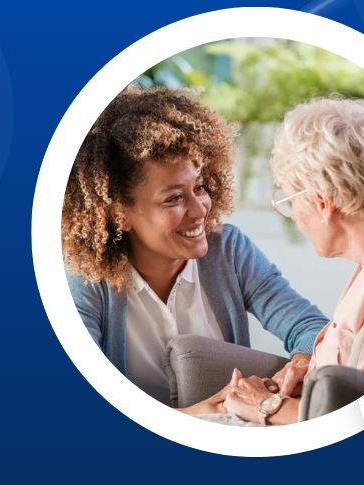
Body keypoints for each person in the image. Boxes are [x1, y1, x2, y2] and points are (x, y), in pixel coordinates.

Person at [62, 86, 328, 407]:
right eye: (174, 198)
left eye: (199, 187)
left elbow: (309, 326)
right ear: (120, 213)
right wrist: (193, 416)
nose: (200, 208)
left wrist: (299, 366)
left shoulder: (228, 250)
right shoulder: (85, 279)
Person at [219, 97, 364, 425]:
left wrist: (265, 406)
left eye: (288, 199)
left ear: (322, 203)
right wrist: (313, 368)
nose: (294, 216)